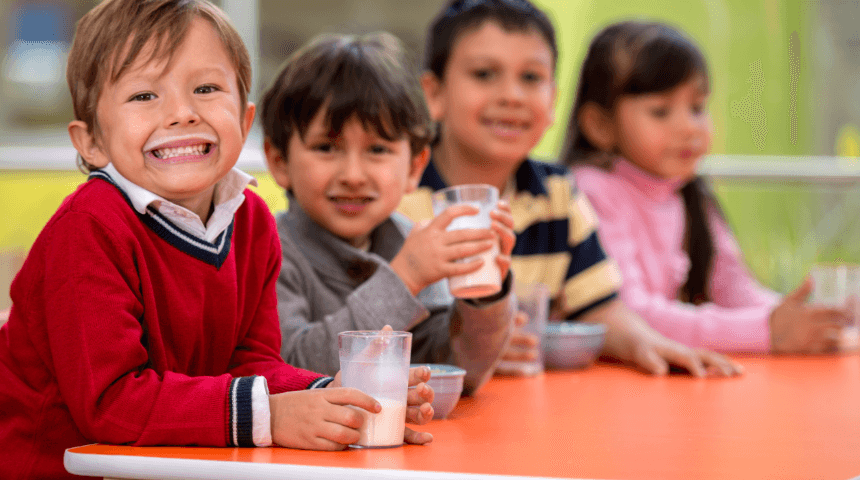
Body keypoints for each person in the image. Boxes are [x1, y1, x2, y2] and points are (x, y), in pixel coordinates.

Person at [0, 2, 431, 478]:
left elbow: (249, 361)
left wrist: (332, 395)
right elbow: (111, 402)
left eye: (206, 89)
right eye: (144, 96)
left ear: (245, 123)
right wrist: (270, 416)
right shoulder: (88, 228)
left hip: (166, 465)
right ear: (91, 142)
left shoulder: (252, 222)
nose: (182, 113)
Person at [399, 0, 743, 376]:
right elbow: (365, 322)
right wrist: (471, 346)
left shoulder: (558, 193)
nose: (511, 95)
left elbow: (599, 307)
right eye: (484, 74)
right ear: (434, 94)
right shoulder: (397, 196)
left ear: (553, 101)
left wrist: (648, 343)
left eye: (531, 78)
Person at [563, 20, 850, 354]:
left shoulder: (688, 191)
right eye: (661, 111)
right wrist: (765, 331)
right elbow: (629, 316)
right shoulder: (592, 191)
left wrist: (805, 319)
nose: (689, 128)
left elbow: (735, 289)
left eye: (697, 108)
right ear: (600, 125)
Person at [261, 32, 517, 396]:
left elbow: (457, 371)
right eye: (326, 147)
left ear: (414, 166)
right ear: (279, 161)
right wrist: (404, 277)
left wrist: (484, 296)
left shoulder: (407, 241)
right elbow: (291, 370)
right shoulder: (267, 253)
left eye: (377, 149)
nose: (352, 175)